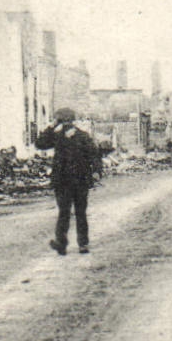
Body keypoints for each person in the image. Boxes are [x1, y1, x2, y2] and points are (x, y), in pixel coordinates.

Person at [35, 107, 102, 255]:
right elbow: (95, 155)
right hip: (77, 180)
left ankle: (63, 244)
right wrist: (96, 172)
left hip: (65, 181)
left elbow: (39, 143)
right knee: (79, 212)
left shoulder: (60, 136)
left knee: (65, 213)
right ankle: (81, 244)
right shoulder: (80, 136)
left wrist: (51, 127)